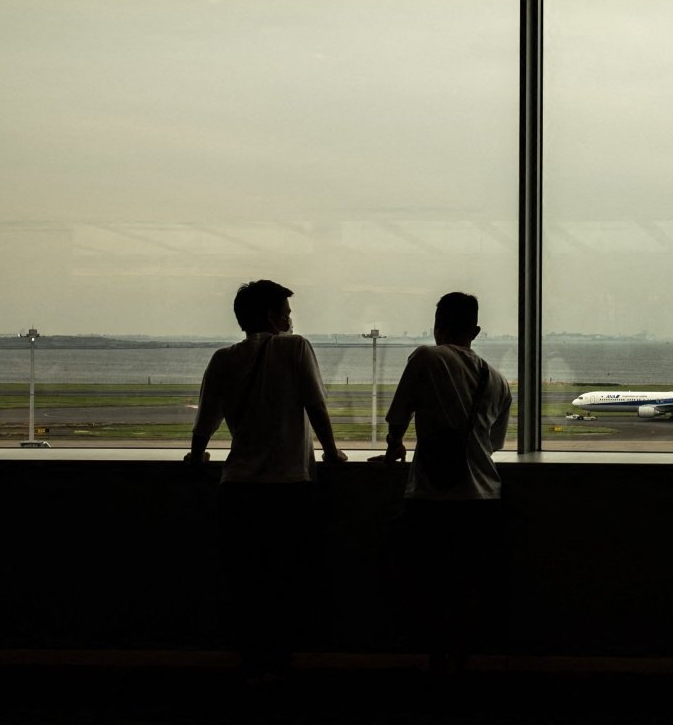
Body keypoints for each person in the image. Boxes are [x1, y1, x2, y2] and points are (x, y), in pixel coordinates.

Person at [184, 279, 348, 686]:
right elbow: (315, 404)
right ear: (274, 316)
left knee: (245, 583)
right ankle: (280, 664)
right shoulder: (294, 348)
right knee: (287, 580)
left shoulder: (223, 358)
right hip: (288, 486)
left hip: (237, 486)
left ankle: (251, 664)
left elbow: (207, 416)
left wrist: (198, 452)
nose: (291, 320)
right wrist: (330, 451)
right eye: (287, 313)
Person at [371, 292, 512, 677]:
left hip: (433, 496)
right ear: (477, 330)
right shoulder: (497, 380)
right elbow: (495, 444)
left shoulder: (427, 357)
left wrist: (393, 447)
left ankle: (436, 662)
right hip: (484, 496)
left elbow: (399, 414)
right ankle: (462, 664)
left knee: (429, 586)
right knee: (470, 588)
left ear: (437, 326)